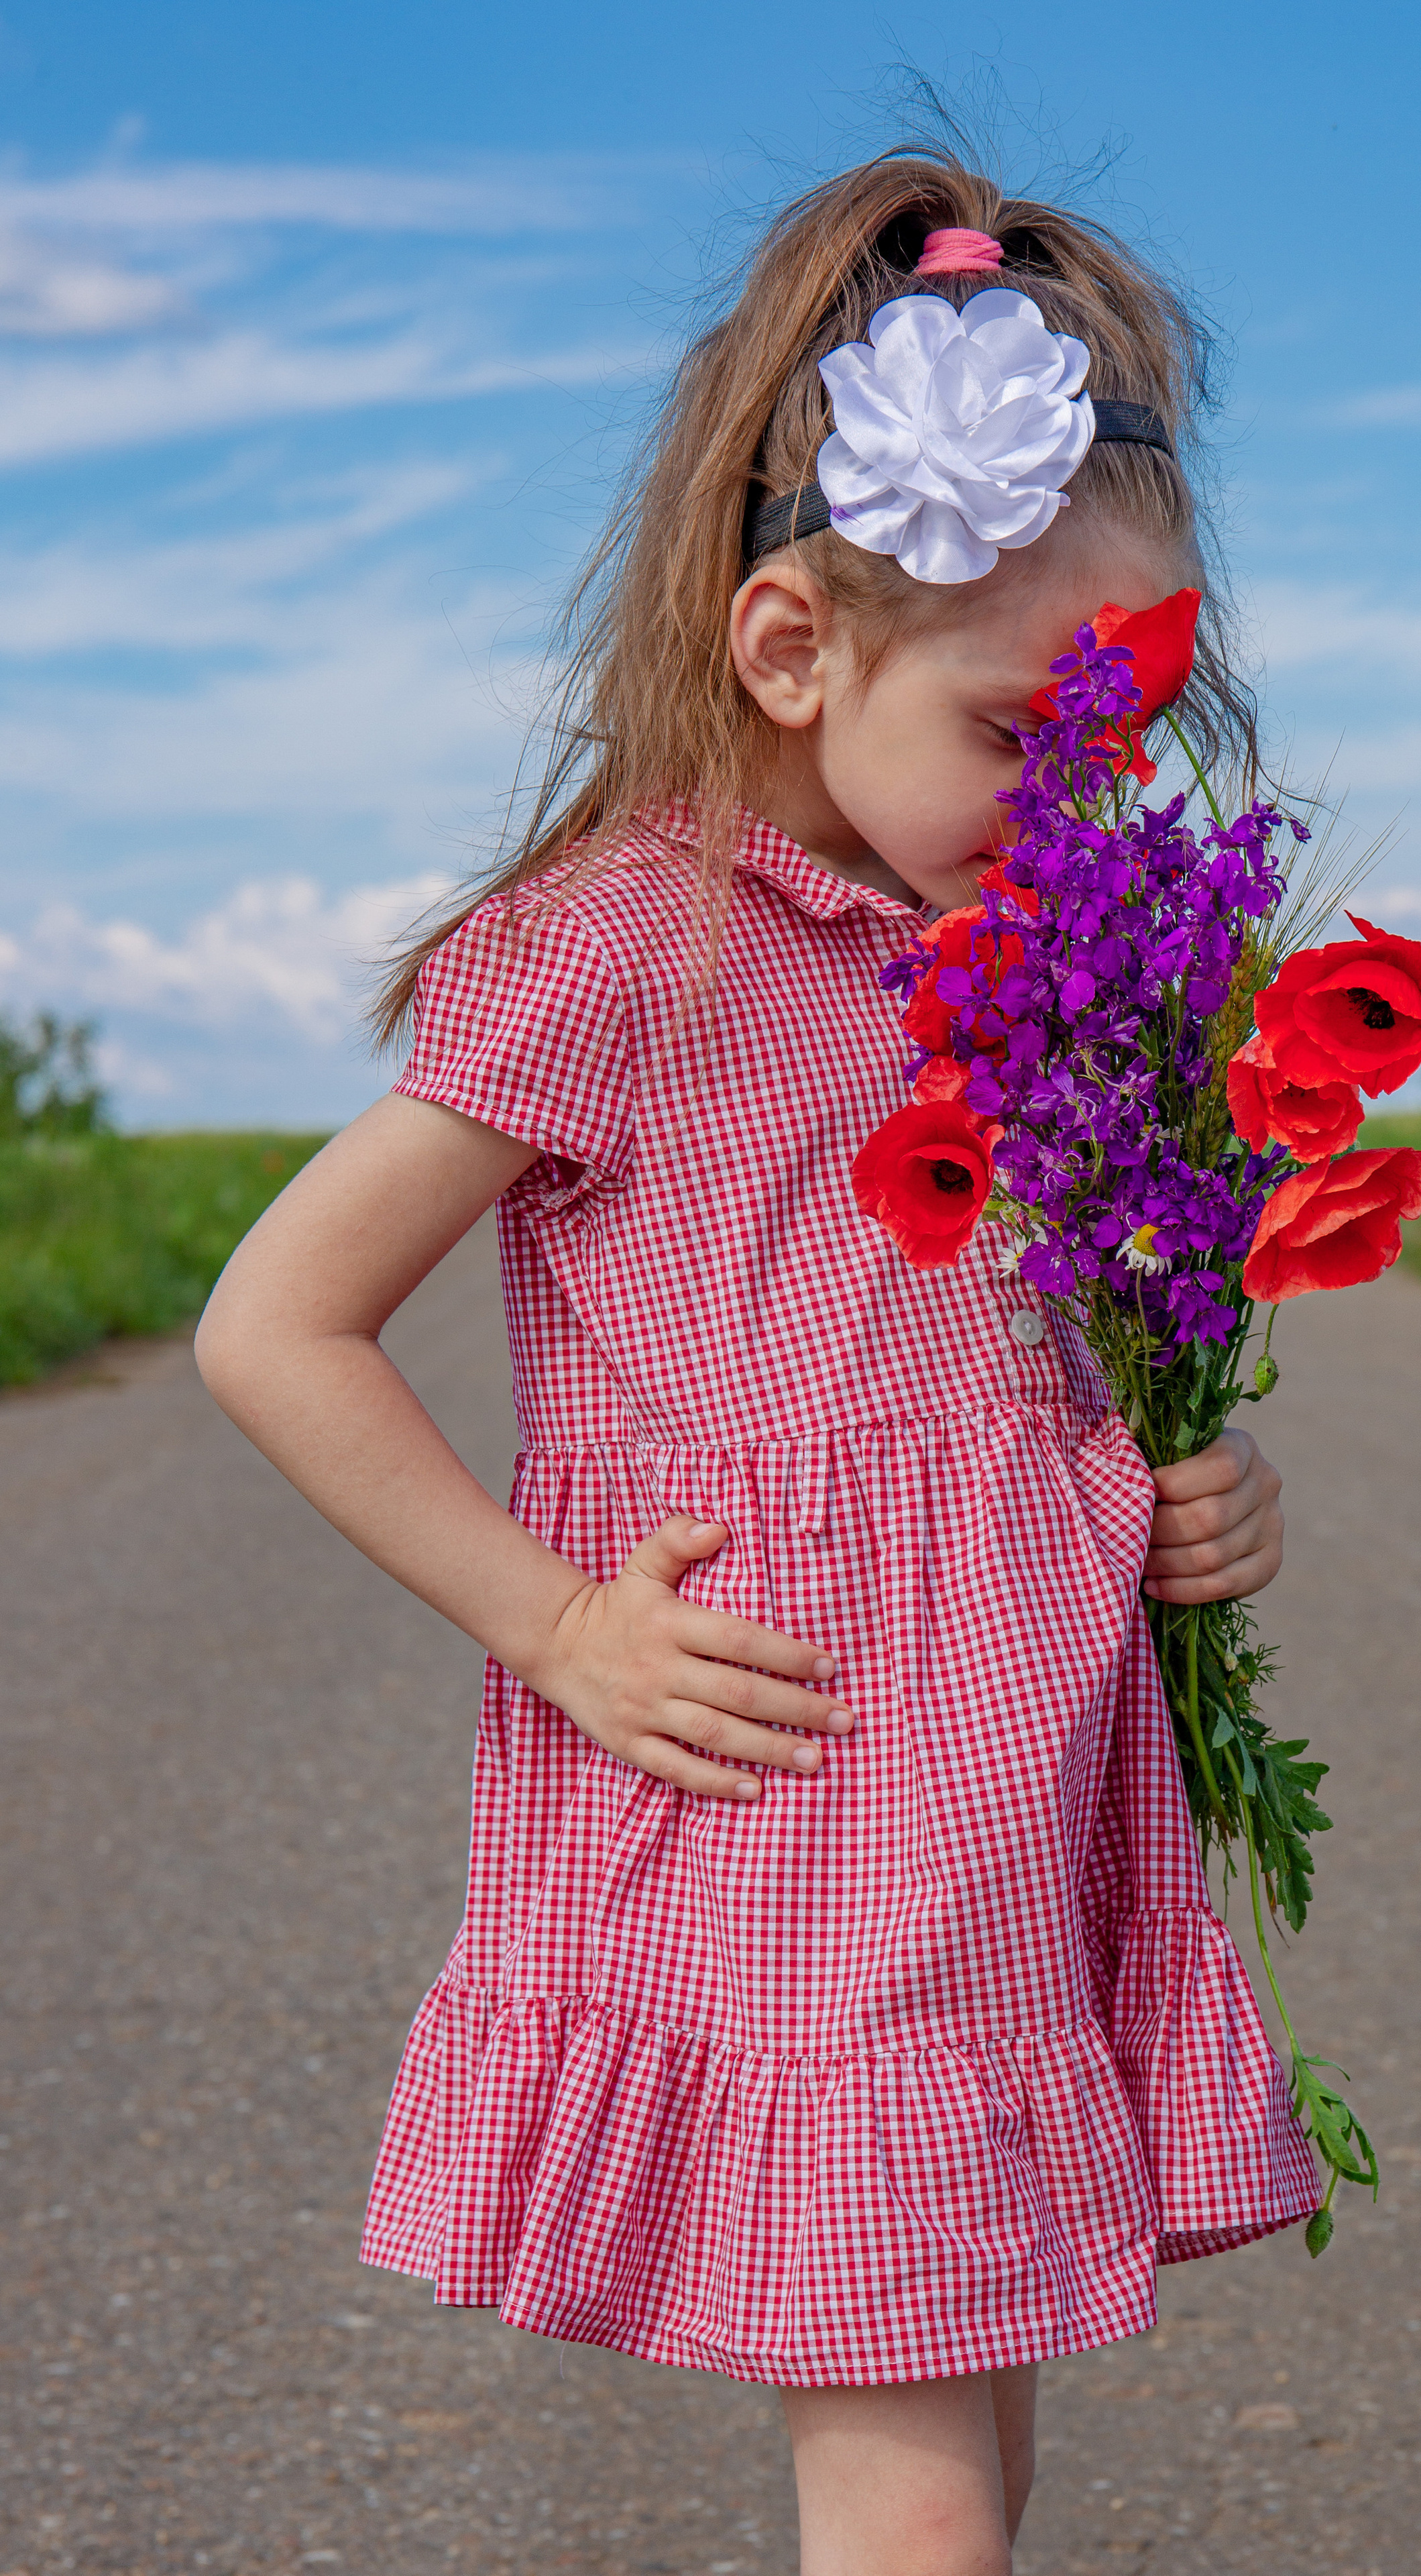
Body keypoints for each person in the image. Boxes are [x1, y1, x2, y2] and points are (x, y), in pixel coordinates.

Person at [196, 148, 1315, 2576]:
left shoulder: (1035, 970)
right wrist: (554, 1621)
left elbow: (1035, 1355)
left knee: (969, 2387)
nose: (1085, 808)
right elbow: (275, 1323)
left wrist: (1163, 1495)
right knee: (910, 2465)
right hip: (804, 1774)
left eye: (1127, 744)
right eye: (1034, 734)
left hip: (1011, 1772)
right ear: (793, 645)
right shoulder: (637, 950)